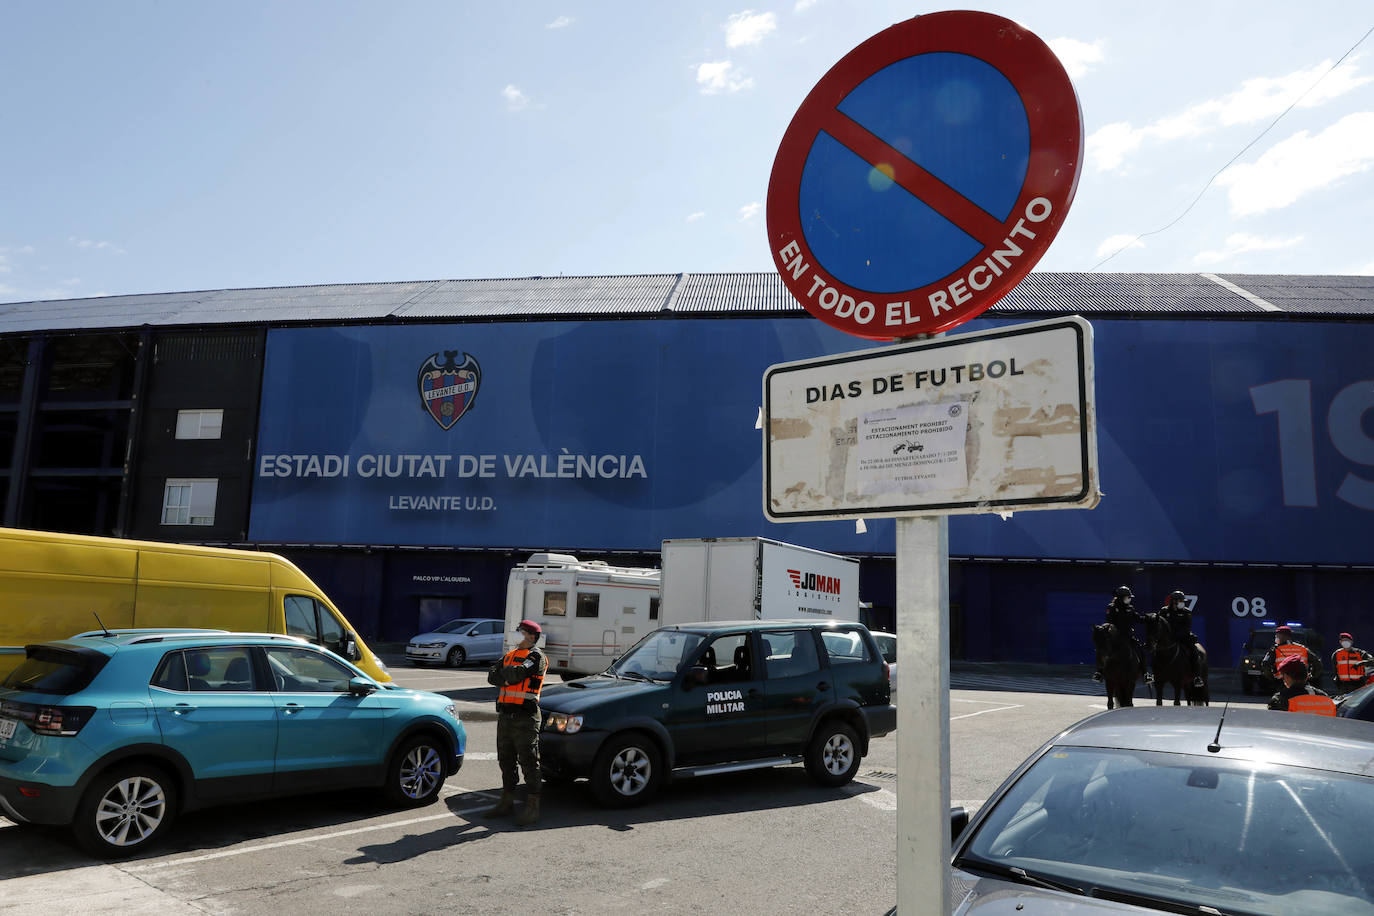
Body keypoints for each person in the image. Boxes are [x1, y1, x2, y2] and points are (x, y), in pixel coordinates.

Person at [482, 619, 549, 826]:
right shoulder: (510, 655)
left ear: (530, 636)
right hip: (506, 716)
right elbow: (491, 675)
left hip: (525, 717)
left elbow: (517, 674)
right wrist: (506, 677)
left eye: (520, 631)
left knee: (528, 761)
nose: (516, 634)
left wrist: (506, 676)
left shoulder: (536, 657)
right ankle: (506, 802)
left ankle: (532, 806)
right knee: (506, 759)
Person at [1095, 585, 1151, 684]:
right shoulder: (1111, 607)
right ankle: (1099, 672)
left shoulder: (1130, 608)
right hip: (1115, 637)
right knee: (1103, 650)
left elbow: (1138, 619)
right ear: (1121, 598)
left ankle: (1145, 674)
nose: (1129, 599)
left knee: (1140, 651)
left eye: (1129, 597)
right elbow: (1109, 622)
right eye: (1127, 597)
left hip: (1128, 636)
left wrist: (1148, 618)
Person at [1161, 590, 1204, 688]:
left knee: (1194, 652)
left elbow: (1187, 628)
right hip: (1168, 639)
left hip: (1183, 638)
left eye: (1182, 601)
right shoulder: (1164, 611)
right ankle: (1153, 674)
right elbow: (1160, 625)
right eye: (1180, 601)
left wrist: (1177, 635)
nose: (1182, 603)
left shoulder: (1186, 612)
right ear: (1173, 601)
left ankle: (1197, 677)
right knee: (1157, 650)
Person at [1266, 656, 1335, 714]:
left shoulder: (1281, 699)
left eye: (1282, 675)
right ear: (1306, 675)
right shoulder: (1325, 698)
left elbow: (1274, 726)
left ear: (1287, 676)